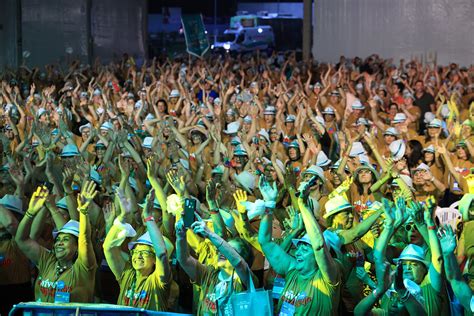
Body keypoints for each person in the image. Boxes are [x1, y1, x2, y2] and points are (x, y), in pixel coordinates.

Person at [15, 183, 98, 303]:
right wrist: (30, 213)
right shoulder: (47, 260)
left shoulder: (84, 267)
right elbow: (21, 240)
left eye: (65, 240)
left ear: (77, 246)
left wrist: (83, 211)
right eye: (58, 240)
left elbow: (85, 240)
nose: (59, 243)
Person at [103, 189, 172, 310]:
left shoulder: (158, 281)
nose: (138, 256)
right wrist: (122, 216)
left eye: (144, 252)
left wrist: (148, 217)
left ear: (154, 259)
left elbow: (161, 253)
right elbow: (108, 247)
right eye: (136, 252)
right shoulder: (126, 275)